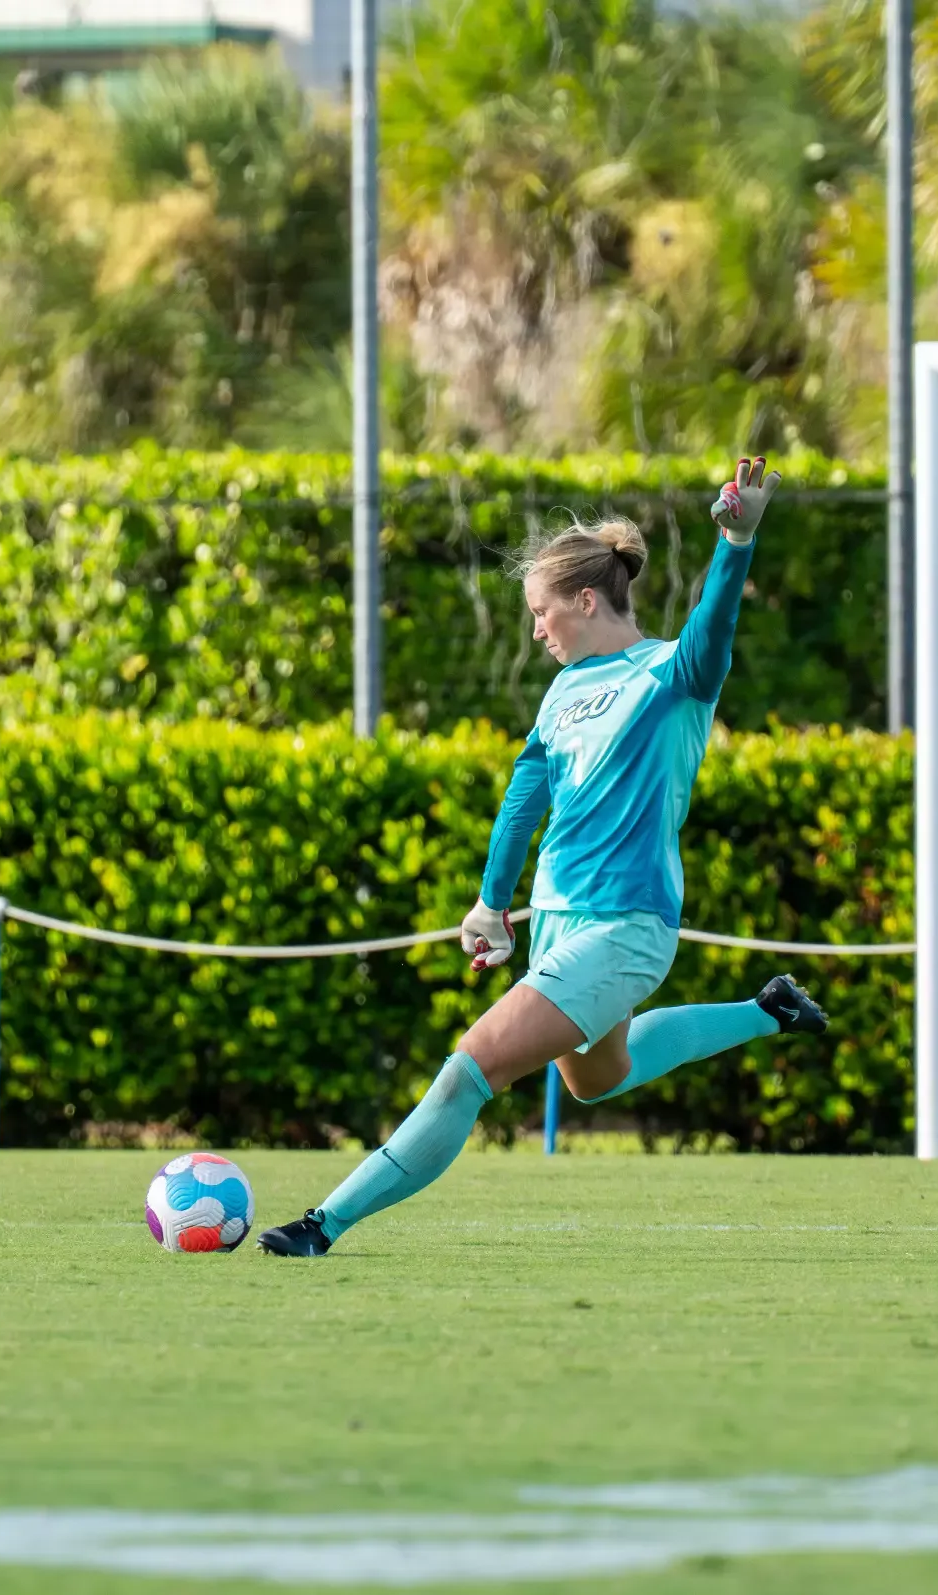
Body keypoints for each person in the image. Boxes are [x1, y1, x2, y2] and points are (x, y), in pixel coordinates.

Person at [258, 458, 827, 1258]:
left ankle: (323, 1224)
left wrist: (736, 543)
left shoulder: (671, 674)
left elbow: (712, 633)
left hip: (625, 927)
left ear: (586, 601)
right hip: (559, 923)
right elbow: (524, 799)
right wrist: (492, 903)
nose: (535, 630)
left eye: (540, 611)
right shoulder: (561, 694)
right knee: (598, 1078)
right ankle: (768, 1010)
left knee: (471, 1067)